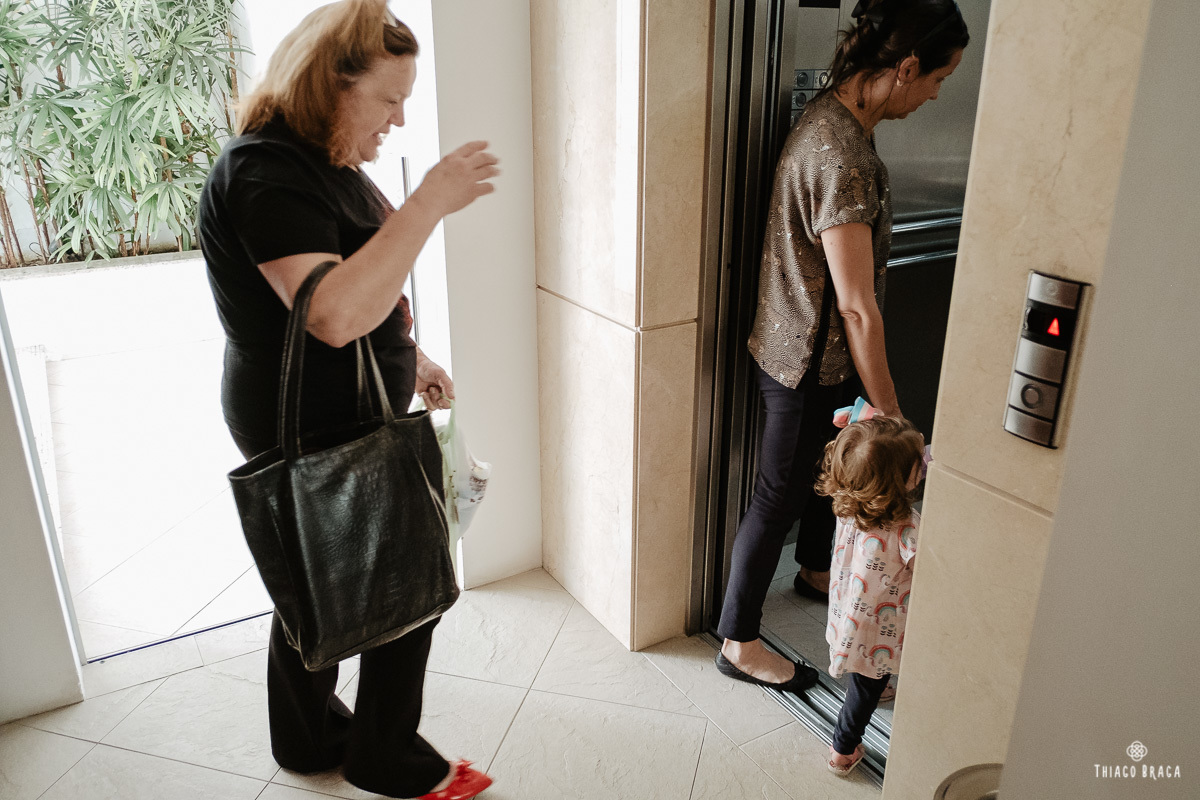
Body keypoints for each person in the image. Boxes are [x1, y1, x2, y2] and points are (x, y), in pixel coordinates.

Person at [197, 2, 498, 798]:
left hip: (338, 406)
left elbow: (359, 279)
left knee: (315, 572)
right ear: (331, 86)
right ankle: (384, 757)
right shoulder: (263, 169)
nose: (400, 119)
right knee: (406, 581)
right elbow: (328, 313)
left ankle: (305, 739)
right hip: (308, 417)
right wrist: (431, 200)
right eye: (389, 98)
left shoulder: (319, 159)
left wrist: (413, 355)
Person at [715, 0, 968, 691]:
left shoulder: (831, 117)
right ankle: (737, 640)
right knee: (778, 496)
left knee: (820, 478)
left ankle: (816, 570)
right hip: (805, 360)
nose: (936, 95)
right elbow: (857, 307)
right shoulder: (844, 155)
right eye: (939, 80)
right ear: (905, 68)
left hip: (799, 345)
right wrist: (892, 414)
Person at [815, 413, 925, 776]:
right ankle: (842, 750)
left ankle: (878, 685)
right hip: (880, 629)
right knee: (864, 688)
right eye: (919, 462)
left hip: (852, 613)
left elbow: (869, 453)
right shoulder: (907, 529)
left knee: (867, 677)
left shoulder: (852, 505)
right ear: (905, 480)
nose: (924, 464)